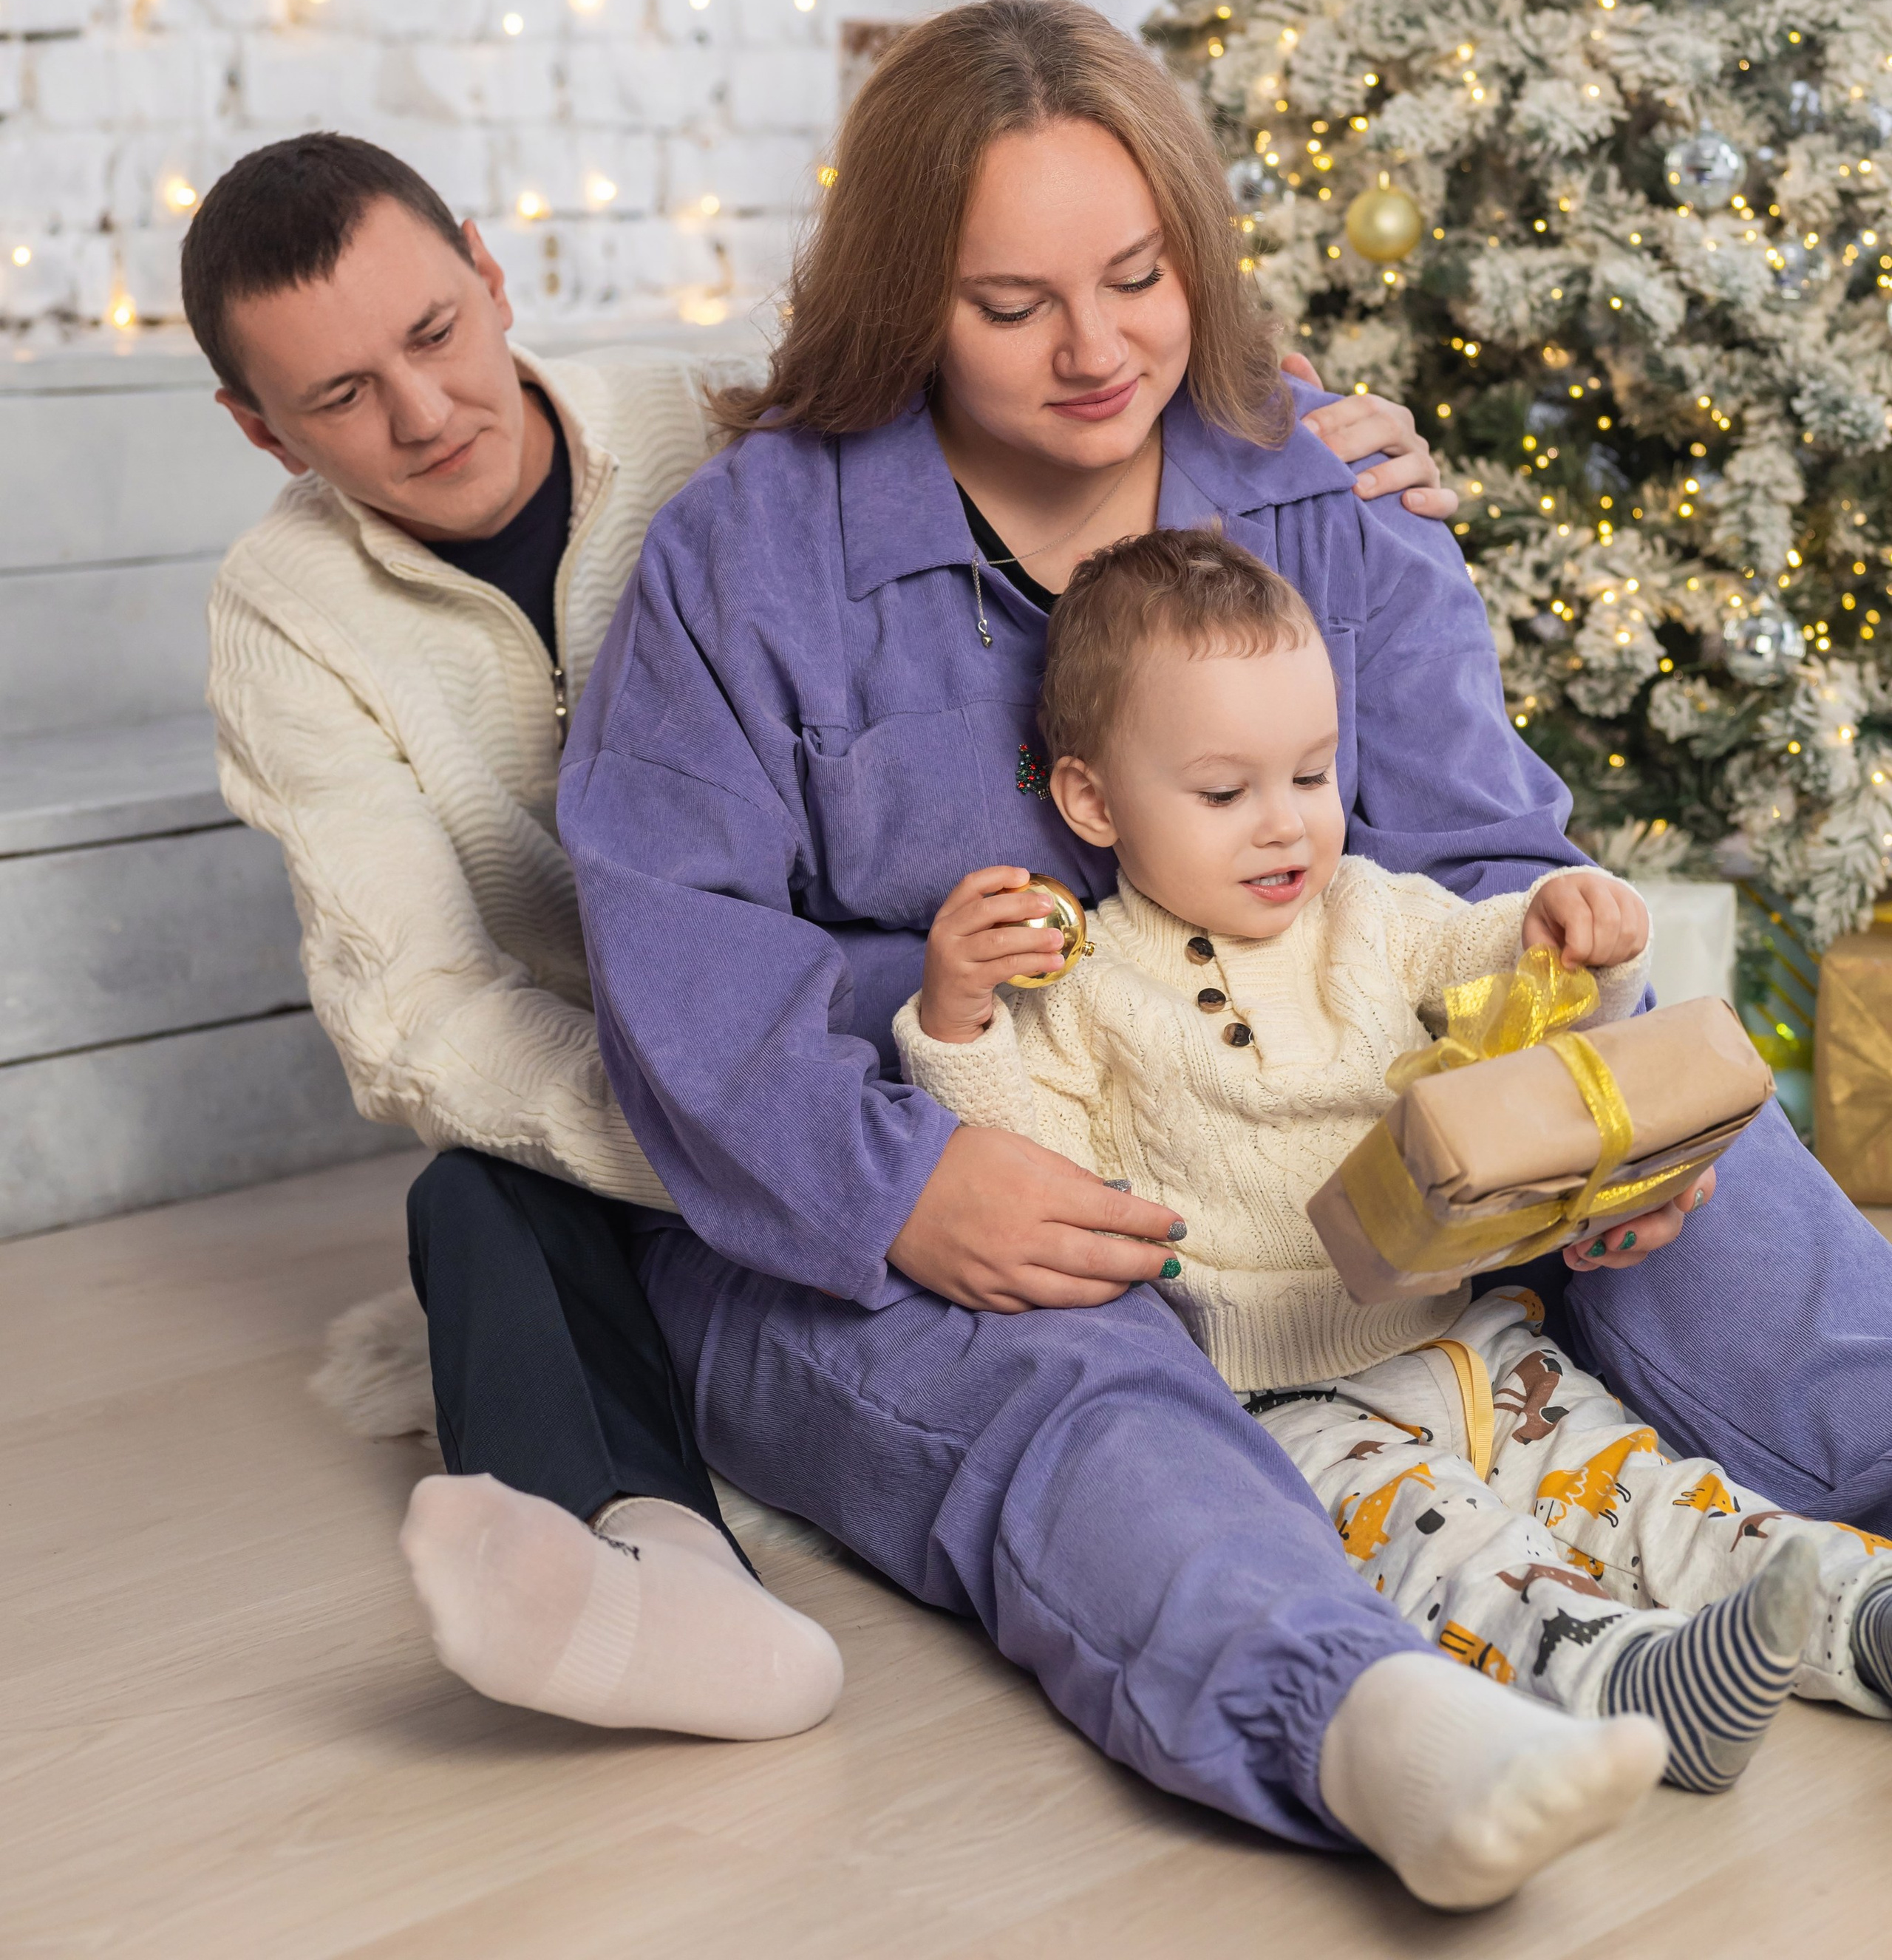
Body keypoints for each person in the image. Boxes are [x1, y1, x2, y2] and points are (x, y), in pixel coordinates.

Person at [557, 0, 1892, 1912]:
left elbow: (1476, 848)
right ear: (901, 298)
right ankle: (1370, 1729)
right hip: (940, 1166)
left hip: (1341, 1127)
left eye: (1138, 276)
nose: (1097, 350)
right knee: (1072, 1379)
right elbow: (671, 952)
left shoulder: (1324, 481)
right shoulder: (751, 555)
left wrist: (1571, 1100)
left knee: (1682, 1130)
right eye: (1013, 304)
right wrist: (907, 1186)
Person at [181, 121, 1452, 1739]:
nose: (423, 413)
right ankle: (654, 1575)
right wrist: (767, 1145)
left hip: (907, 1006)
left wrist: (1308, 429)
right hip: (616, 1098)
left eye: (434, 335)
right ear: (254, 425)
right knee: (474, 1207)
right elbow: (419, 1018)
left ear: (492, 280)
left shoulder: (712, 422)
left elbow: (1040, 356)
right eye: (341, 397)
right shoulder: (283, 619)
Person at [897, 525, 1892, 1786]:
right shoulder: (1082, 987)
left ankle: (1859, 1610)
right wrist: (956, 1017)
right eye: (1226, 792)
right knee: (1462, 1562)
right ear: (1093, 800)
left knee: (1651, 1491)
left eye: (1313, 773)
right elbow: (1024, 1162)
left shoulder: (1371, 913)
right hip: (1283, 1404)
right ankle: (1632, 1683)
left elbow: (1522, 984)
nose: (1286, 825)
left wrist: (1584, 931)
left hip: (1479, 1342)